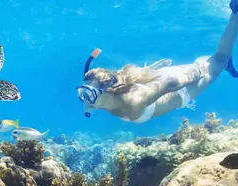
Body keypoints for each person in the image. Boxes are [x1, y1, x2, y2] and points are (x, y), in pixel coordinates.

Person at [76, 0, 238, 123]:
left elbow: (170, 84)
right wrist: (149, 72)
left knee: (219, 58)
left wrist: (194, 74)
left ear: (107, 90)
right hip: (161, 78)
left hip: (181, 88)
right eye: (82, 93)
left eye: (88, 94)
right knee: (211, 61)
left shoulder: (133, 102)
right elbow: (121, 79)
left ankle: (235, 12)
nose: (85, 100)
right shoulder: (102, 95)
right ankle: (222, 61)